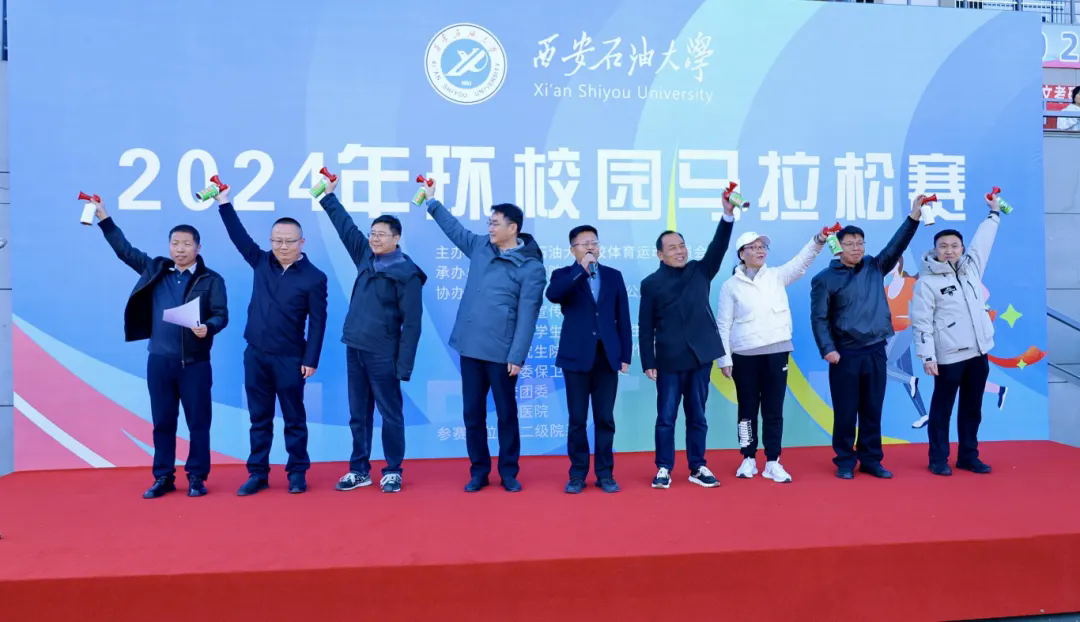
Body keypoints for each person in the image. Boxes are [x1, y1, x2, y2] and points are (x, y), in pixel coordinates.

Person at [92, 198, 228, 498]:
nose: (180, 249)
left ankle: (197, 477)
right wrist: (104, 219)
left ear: (198, 247)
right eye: (175, 243)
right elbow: (125, 251)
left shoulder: (211, 280)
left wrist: (209, 327)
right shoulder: (156, 270)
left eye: (186, 244)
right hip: (160, 362)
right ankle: (163, 476)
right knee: (163, 423)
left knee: (198, 424)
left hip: (194, 363)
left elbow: (221, 314)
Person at [421, 179, 546, 493]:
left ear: (512, 228)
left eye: (495, 223)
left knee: (506, 414)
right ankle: (479, 471)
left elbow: (528, 315)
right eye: (489, 223)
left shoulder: (531, 267)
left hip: (503, 353)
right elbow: (454, 230)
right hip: (470, 347)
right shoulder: (480, 247)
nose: (490, 228)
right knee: (472, 414)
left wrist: (517, 355)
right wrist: (432, 202)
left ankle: (508, 472)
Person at [215, 186, 328, 495]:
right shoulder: (261, 262)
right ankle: (258, 473)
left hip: (291, 359)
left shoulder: (314, 277)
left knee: (294, 418)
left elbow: (318, 322)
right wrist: (224, 202)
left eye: (289, 241)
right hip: (256, 355)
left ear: (302, 242)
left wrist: (311, 359)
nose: (282, 246)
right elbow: (238, 235)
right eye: (276, 241)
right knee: (259, 418)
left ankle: (297, 473)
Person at [316, 177, 426, 493]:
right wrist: (328, 197)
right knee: (358, 414)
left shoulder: (407, 274)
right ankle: (359, 469)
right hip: (355, 347)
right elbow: (346, 228)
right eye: (373, 234)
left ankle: (392, 470)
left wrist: (403, 366)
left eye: (381, 235)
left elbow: (413, 325)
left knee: (390, 414)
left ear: (397, 238)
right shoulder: (366, 256)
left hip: (384, 354)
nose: (375, 239)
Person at [810, 195, 926, 479]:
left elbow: (897, 244)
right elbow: (819, 318)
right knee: (846, 411)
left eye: (860, 243)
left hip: (875, 350)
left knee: (872, 409)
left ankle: (871, 459)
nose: (856, 248)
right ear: (838, 247)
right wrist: (828, 349)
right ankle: (845, 461)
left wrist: (913, 216)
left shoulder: (875, 266)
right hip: (845, 354)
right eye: (850, 243)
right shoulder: (824, 279)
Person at [640, 195, 736, 489]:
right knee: (666, 417)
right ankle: (663, 468)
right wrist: (648, 361)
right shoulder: (651, 284)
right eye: (672, 248)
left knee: (698, 416)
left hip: (699, 358)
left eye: (681, 245)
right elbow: (645, 326)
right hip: (669, 361)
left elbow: (718, 247)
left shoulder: (700, 270)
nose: (679, 251)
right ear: (660, 255)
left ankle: (698, 466)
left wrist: (727, 216)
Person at [717, 226, 826, 483]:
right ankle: (748, 457)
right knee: (747, 410)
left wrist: (818, 240)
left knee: (773, 409)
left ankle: (773, 461)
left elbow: (801, 262)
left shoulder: (777, 276)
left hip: (777, 352)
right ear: (741, 254)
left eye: (762, 247)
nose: (760, 251)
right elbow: (723, 324)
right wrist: (724, 359)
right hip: (744, 354)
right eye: (753, 247)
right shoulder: (730, 286)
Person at [911, 195, 1002, 476]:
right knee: (942, 410)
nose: (949, 250)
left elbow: (983, 242)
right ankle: (938, 458)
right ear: (935, 250)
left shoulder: (971, 269)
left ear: (961, 248)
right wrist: (927, 356)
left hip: (978, 353)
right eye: (943, 246)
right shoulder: (926, 282)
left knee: (972, 409)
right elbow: (921, 322)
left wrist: (994, 214)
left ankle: (968, 456)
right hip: (948, 357)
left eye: (954, 246)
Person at [546, 225, 632, 494]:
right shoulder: (564, 275)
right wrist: (581, 271)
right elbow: (553, 295)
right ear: (573, 250)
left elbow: (623, 318)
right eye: (583, 244)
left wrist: (625, 355)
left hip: (607, 358)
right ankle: (577, 474)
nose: (590, 247)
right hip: (575, 358)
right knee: (577, 420)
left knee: (605, 418)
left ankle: (605, 473)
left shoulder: (613, 276)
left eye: (593, 242)